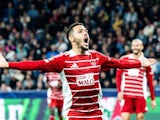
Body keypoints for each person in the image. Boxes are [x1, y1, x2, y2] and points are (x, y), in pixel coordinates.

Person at [0, 22, 156, 120]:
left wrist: (139, 63)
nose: (86, 33)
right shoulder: (63, 60)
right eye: (81, 31)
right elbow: (36, 64)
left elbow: (119, 63)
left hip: (96, 113)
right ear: (72, 38)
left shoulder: (96, 56)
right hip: (74, 114)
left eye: (86, 31)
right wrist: (8, 65)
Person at [116, 39, 156, 120]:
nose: (135, 47)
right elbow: (118, 76)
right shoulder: (124, 59)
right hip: (126, 94)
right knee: (124, 117)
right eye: (133, 45)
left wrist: (152, 99)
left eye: (137, 45)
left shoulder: (146, 62)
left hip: (140, 94)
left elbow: (150, 81)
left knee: (140, 117)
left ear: (142, 47)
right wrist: (119, 91)